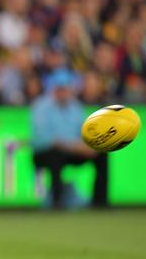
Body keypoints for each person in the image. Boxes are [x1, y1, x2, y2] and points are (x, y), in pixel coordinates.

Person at [31, 68, 108, 209]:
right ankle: (56, 202)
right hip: (45, 152)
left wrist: (89, 146)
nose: (63, 92)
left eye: (66, 88)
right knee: (55, 156)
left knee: (101, 154)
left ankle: (100, 201)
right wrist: (75, 147)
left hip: (71, 151)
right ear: (53, 89)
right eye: (60, 88)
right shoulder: (41, 106)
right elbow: (47, 140)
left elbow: (84, 133)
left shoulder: (75, 107)